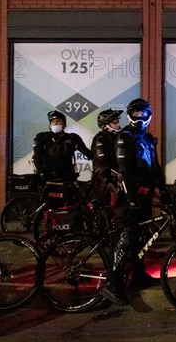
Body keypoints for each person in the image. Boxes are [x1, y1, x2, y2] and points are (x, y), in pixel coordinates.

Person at [101, 98, 168, 305]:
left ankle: (138, 276)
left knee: (141, 239)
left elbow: (155, 167)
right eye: (136, 115)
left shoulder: (147, 138)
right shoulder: (125, 138)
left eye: (143, 115)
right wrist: (131, 200)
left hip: (145, 196)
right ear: (130, 115)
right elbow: (125, 172)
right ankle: (112, 284)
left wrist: (164, 191)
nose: (139, 119)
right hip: (127, 198)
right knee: (126, 239)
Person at [32, 110, 92, 183]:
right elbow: (36, 157)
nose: (55, 123)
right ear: (50, 124)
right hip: (47, 179)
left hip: (68, 178)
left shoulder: (72, 138)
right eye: (53, 121)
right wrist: (41, 173)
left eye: (58, 121)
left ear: (64, 123)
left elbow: (88, 153)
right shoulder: (42, 137)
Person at [90, 108, 123, 206]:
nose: (118, 124)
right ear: (105, 125)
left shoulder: (119, 136)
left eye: (118, 121)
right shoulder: (101, 139)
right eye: (114, 122)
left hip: (118, 179)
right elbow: (103, 165)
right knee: (105, 211)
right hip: (104, 182)